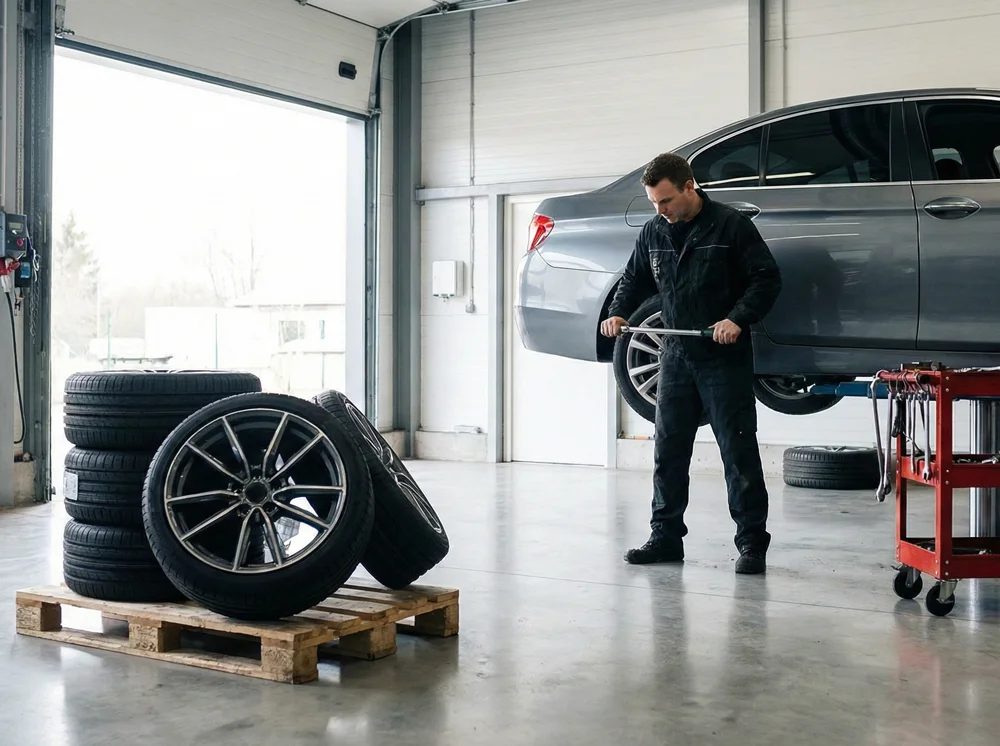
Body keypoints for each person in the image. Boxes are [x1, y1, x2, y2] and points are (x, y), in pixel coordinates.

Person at [601, 152, 781, 574]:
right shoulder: (654, 232)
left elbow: (766, 278)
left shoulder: (731, 226)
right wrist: (618, 312)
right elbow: (633, 279)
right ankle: (665, 537)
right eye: (653, 203)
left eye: (666, 201)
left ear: (689, 187)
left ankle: (751, 544)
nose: (660, 210)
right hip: (676, 357)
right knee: (668, 450)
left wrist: (737, 318)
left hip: (723, 357)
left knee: (737, 451)